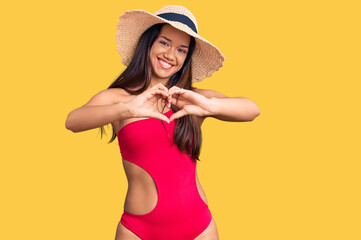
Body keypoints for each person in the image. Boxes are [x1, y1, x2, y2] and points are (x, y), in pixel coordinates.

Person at [65, 5, 260, 240]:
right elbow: (72, 121)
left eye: (181, 49)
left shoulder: (191, 99)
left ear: (186, 58)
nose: (170, 55)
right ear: (148, 44)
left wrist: (209, 106)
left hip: (199, 227)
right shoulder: (119, 98)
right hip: (139, 230)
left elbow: (252, 109)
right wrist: (126, 108)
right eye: (164, 43)